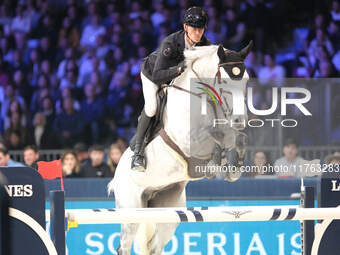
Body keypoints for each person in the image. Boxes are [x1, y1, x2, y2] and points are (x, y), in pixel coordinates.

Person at [131, 6, 211, 171]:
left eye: (201, 29)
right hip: (152, 73)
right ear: (185, 27)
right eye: (194, 29)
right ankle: (137, 153)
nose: (198, 33)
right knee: (152, 108)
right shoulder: (171, 43)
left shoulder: (205, 44)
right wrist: (180, 69)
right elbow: (158, 75)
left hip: (177, 77)